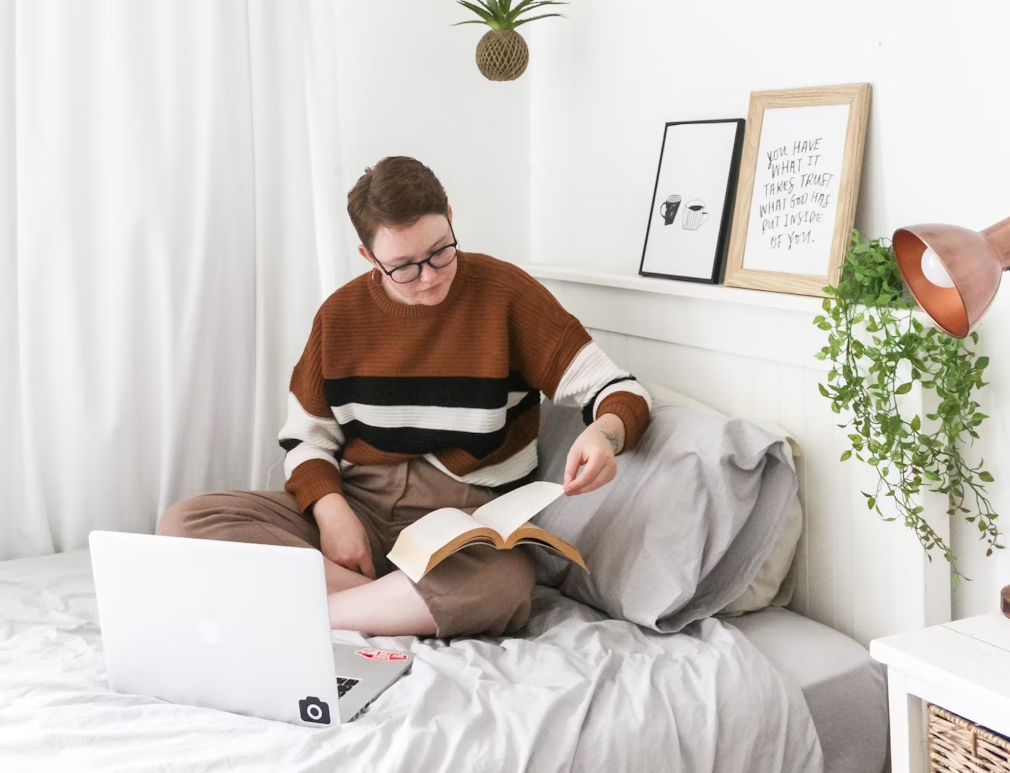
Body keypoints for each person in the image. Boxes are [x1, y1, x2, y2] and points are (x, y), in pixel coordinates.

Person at [160, 156, 651, 638]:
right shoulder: (339, 317)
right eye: (403, 267)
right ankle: (393, 602)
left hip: (464, 525)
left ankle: (322, 610)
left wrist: (605, 435)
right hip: (359, 505)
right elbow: (306, 439)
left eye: (440, 251)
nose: (430, 276)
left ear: (451, 218)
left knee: (503, 586)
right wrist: (331, 513)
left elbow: (618, 390)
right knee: (186, 523)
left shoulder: (507, 295)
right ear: (369, 258)